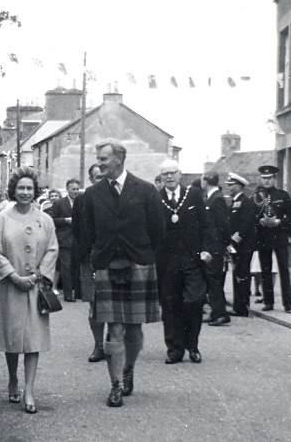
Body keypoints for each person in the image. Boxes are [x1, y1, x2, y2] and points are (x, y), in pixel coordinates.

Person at [83, 140, 165, 407]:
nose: (100, 163)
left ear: (119, 158)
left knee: (134, 328)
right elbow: (87, 233)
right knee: (114, 328)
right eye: (98, 158)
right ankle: (116, 384)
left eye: (104, 158)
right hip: (107, 265)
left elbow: (158, 232)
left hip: (139, 264)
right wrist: (97, 258)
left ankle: (128, 369)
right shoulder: (92, 194)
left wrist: (142, 255)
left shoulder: (146, 190)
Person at [0, 166, 59, 415]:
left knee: (33, 341)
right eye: (20, 188)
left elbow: (52, 249)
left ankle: (28, 390)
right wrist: (13, 276)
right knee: (13, 338)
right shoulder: (1, 218)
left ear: (35, 191)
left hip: (35, 288)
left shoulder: (44, 219)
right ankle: (12, 378)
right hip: (10, 286)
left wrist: (38, 275)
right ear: (13, 190)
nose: (25, 192)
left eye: (29, 188)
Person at [157, 159, 212, 366]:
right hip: (167, 262)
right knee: (170, 305)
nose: (169, 177)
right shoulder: (156, 197)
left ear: (180, 174)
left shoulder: (194, 195)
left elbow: (206, 225)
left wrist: (206, 249)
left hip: (192, 259)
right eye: (165, 174)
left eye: (172, 173)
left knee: (195, 300)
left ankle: (193, 345)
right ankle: (174, 349)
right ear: (161, 177)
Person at [72, 163, 107, 362]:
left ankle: (112, 344)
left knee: (113, 305)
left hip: (112, 260)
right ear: (90, 179)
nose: (100, 181)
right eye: (96, 178)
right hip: (90, 259)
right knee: (94, 305)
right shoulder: (82, 200)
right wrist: (86, 253)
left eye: (103, 177)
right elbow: (77, 230)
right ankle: (98, 345)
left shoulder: (116, 199)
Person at [254, 165, 291, 312]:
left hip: (279, 236)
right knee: (265, 269)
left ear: (274, 178)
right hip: (263, 237)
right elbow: (251, 217)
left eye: (269, 178)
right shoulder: (256, 196)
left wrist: (279, 222)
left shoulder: (283, 195)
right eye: (264, 178)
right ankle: (268, 301)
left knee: (284, 269)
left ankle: (287, 302)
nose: (266, 181)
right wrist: (260, 222)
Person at [200, 171, 232, 326]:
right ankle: (215, 312)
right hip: (212, 245)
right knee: (211, 279)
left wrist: (225, 244)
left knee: (214, 280)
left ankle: (220, 314)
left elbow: (223, 225)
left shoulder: (217, 199)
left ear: (206, 181)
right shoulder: (212, 198)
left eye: (202, 179)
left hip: (215, 246)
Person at [225, 173, 257, 316]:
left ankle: (243, 307)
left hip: (244, 245)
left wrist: (233, 241)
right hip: (237, 246)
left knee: (242, 275)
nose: (229, 188)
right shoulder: (234, 202)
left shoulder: (246, 202)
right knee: (237, 273)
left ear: (238, 186)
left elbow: (245, 225)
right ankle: (238, 306)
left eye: (231, 185)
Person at [48, 179, 80, 302]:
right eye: (73, 189)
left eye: (77, 189)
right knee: (65, 268)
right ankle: (68, 295)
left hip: (78, 239)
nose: (76, 191)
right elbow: (52, 219)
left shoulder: (81, 202)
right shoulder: (59, 203)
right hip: (64, 239)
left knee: (76, 267)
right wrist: (65, 220)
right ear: (67, 189)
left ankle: (77, 293)